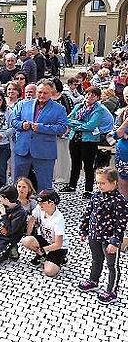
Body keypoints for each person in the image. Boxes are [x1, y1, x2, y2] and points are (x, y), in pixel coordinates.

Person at [77, 167, 128, 304]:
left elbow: (120, 224)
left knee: (112, 265)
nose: (99, 186)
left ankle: (112, 291)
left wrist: (115, 242)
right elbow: (88, 213)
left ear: (114, 183)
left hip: (109, 239)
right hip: (94, 236)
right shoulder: (96, 196)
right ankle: (93, 280)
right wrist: (83, 230)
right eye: (97, 183)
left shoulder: (120, 201)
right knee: (96, 260)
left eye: (102, 183)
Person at [11, 80, 68, 191]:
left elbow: (62, 128)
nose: (42, 95)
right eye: (40, 92)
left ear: (52, 93)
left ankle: (44, 207)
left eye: (45, 93)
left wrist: (41, 128)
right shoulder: (23, 104)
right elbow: (13, 121)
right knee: (18, 185)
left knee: (45, 186)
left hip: (44, 153)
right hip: (23, 150)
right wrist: (22, 125)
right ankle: (17, 206)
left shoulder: (59, 109)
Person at [62, 87, 105, 197]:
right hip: (75, 138)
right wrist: (81, 125)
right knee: (75, 163)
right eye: (88, 94)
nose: (89, 97)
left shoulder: (99, 109)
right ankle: (72, 185)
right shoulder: (79, 106)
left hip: (89, 141)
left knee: (88, 165)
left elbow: (91, 125)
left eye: (93, 95)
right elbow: (67, 120)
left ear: (97, 97)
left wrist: (76, 125)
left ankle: (88, 189)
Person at [21, 189, 69, 277]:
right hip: (45, 239)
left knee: (49, 272)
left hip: (58, 247)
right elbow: (32, 218)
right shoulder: (40, 208)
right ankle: (42, 256)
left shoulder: (58, 219)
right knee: (26, 240)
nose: (39, 204)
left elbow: (58, 244)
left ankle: (60, 259)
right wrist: (29, 234)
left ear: (52, 204)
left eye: (42, 202)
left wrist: (43, 249)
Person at [0, 185, 28, 268]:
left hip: (7, 239)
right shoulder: (0, 206)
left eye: (0, 197)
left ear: (6, 199)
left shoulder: (20, 213)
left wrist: (4, 215)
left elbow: (10, 231)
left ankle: (10, 250)